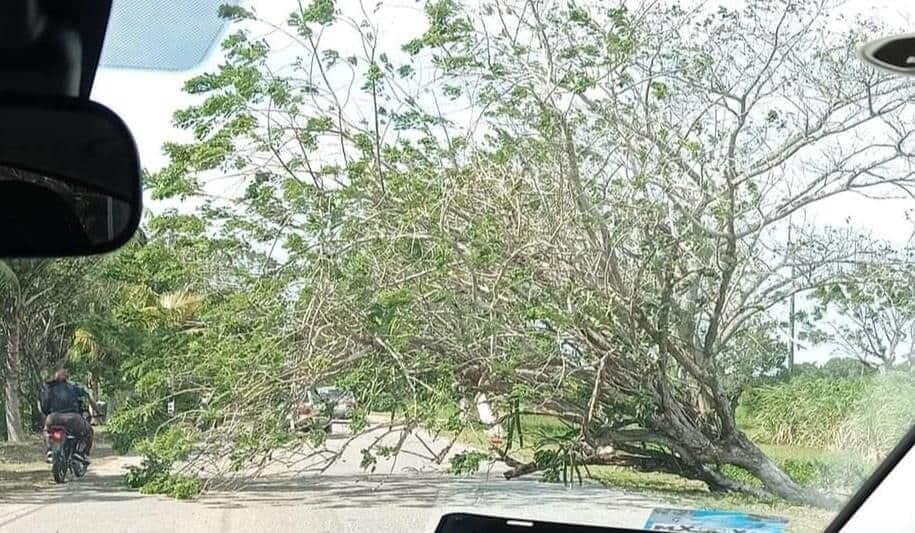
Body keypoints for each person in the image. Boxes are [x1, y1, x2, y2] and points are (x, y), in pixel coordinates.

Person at [39, 368, 99, 463]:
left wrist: (47, 414)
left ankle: (50, 449)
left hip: (53, 418)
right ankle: (81, 453)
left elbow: (44, 406)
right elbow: (88, 396)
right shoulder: (74, 387)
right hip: (73, 419)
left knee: (46, 431)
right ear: (67, 378)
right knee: (88, 432)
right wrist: (97, 411)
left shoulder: (49, 389)